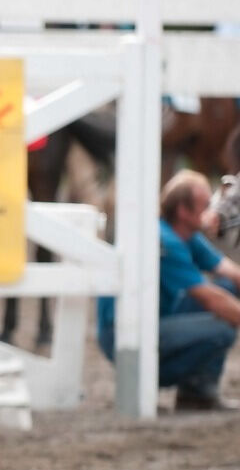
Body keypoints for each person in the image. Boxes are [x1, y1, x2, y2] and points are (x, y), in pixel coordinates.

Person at [98, 170, 240, 411]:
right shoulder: (165, 240)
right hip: (122, 332)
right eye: (205, 205)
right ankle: (176, 385)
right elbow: (210, 299)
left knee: (227, 289)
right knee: (223, 326)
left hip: (155, 319)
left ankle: (197, 391)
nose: (211, 211)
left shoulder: (185, 232)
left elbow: (232, 273)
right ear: (184, 211)